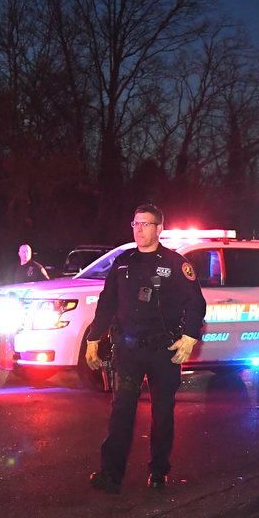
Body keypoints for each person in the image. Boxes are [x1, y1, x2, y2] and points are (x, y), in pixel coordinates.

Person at [85, 204, 207, 492]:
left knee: (162, 413)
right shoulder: (123, 262)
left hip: (164, 352)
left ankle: (158, 472)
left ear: (159, 228)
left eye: (146, 224)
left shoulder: (176, 264)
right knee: (121, 412)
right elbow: (107, 303)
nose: (139, 230)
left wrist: (189, 338)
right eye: (136, 224)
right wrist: (94, 338)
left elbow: (196, 303)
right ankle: (111, 475)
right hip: (128, 352)